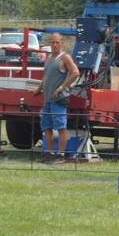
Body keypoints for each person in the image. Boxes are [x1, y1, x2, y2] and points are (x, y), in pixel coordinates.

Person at [37, 32, 79, 163]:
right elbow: (46, 77)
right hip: (47, 99)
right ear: (49, 43)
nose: (55, 45)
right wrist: (38, 89)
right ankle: (49, 154)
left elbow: (75, 72)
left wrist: (62, 87)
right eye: (52, 42)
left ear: (62, 43)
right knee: (46, 127)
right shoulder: (49, 58)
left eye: (57, 42)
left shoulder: (64, 57)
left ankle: (61, 154)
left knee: (61, 127)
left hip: (58, 99)